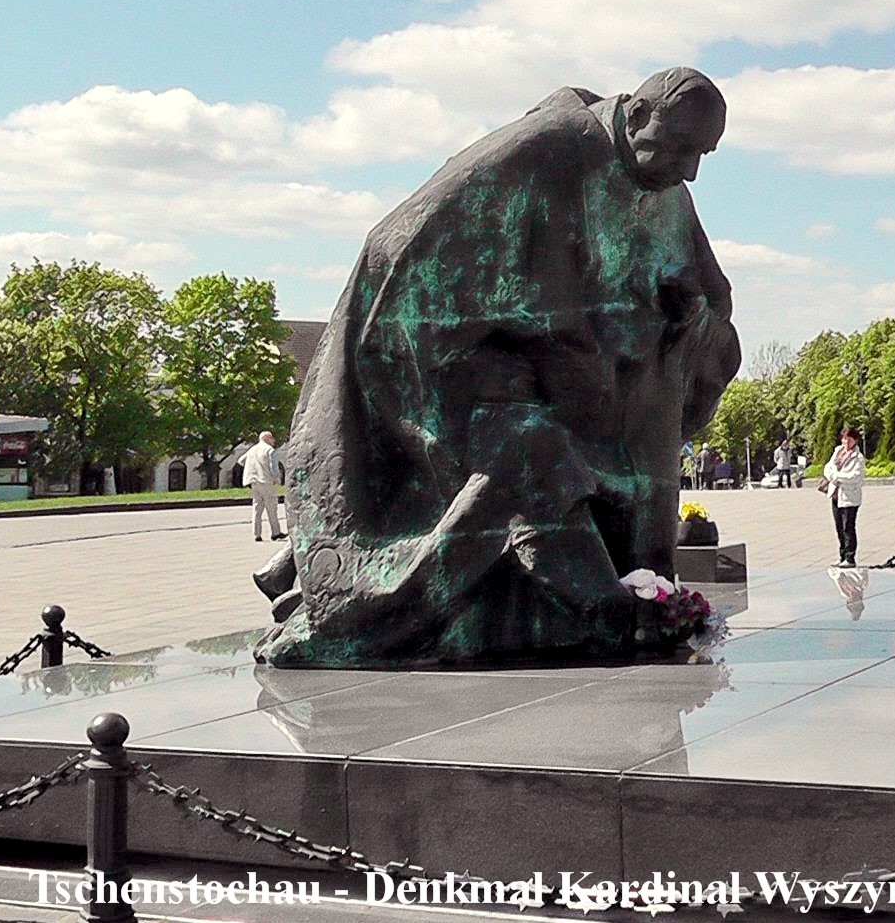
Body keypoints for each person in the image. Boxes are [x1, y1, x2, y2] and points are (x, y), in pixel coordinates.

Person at [251, 67, 739, 666]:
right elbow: (392, 247)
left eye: (702, 155)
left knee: (637, 435)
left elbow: (711, 288)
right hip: (438, 368)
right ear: (636, 115)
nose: (689, 170)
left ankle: (633, 594)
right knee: (535, 459)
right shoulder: (543, 148)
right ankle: (377, 613)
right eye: (681, 148)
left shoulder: (662, 187)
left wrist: (689, 305)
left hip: (562, 384)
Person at [824, 426, 866, 564]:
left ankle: (850, 557)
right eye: (844, 439)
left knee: (848, 527)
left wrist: (837, 477)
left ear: (855, 440)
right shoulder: (838, 452)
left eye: (849, 440)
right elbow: (828, 468)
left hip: (849, 497)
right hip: (836, 494)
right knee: (839, 527)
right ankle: (842, 556)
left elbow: (855, 476)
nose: (846, 442)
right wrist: (834, 476)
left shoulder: (858, 457)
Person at [242, 430, 287, 542]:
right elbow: (274, 468)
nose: (274, 440)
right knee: (272, 508)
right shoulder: (270, 450)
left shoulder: (252, 449)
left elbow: (241, 461)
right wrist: (277, 479)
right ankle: (275, 532)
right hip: (266, 481)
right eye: (272, 438)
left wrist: (252, 469)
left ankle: (256, 534)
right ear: (267, 439)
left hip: (254, 482)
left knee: (257, 508)